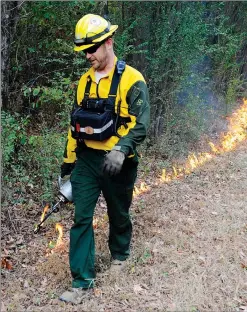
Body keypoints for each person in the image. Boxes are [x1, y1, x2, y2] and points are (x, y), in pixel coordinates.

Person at [59, 13, 150, 304]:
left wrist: (121, 150)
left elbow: (141, 123)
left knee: (118, 212)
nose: (88, 56)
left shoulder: (132, 79)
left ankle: (120, 254)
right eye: (84, 51)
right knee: (81, 218)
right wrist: (68, 162)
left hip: (118, 162)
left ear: (109, 42)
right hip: (87, 159)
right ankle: (81, 281)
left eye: (92, 49)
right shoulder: (83, 83)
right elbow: (75, 126)